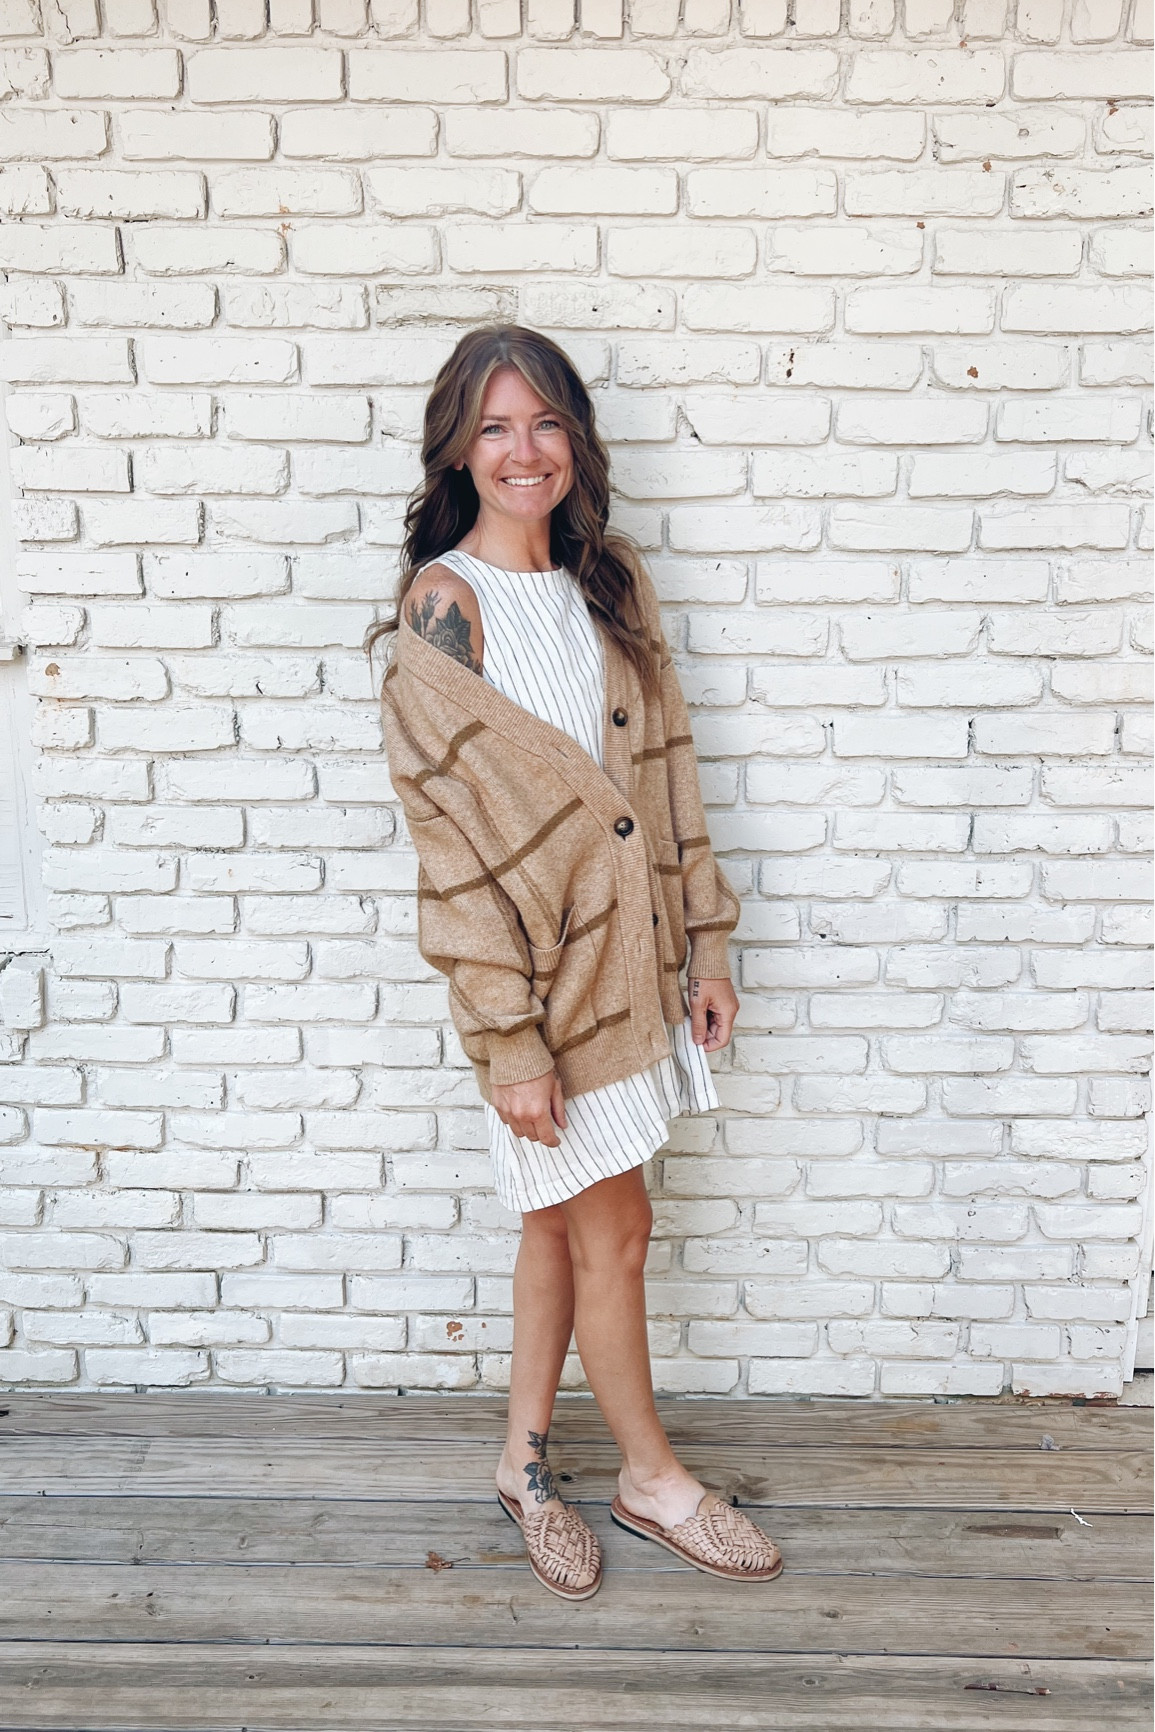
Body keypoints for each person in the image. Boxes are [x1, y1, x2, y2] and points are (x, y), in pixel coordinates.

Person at [374, 326, 782, 1600]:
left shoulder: (613, 582)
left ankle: (523, 1461)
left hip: (639, 968)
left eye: (545, 423)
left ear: (576, 440)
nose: (523, 451)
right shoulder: (445, 608)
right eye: (495, 427)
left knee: (560, 1223)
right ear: (458, 447)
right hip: (546, 996)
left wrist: (704, 940)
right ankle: (653, 1478)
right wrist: (507, 1039)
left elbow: (667, 774)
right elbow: (454, 852)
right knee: (623, 1225)